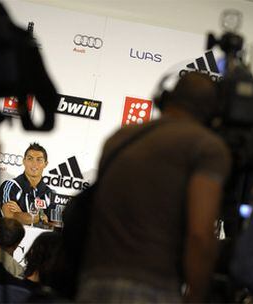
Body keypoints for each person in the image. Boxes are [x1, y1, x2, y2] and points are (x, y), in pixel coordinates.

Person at [77, 72, 231, 303]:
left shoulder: (119, 138)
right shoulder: (207, 147)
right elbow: (199, 235)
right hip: (153, 290)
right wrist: (197, 295)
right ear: (214, 114)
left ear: (165, 97)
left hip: (93, 285)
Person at [0, 143, 53, 225]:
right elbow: (10, 216)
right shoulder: (10, 186)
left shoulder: (49, 193)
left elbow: (53, 225)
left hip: (39, 237)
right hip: (11, 236)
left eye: (39, 160)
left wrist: (21, 214)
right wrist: (40, 217)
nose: (34, 164)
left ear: (45, 164)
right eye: (30, 159)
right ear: (24, 161)